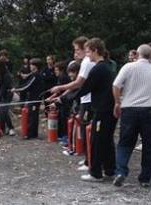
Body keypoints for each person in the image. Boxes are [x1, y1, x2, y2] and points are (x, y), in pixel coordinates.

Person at [57, 38, 117, 182]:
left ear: (96, 51)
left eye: (89, 51)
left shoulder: (99, 69)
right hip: (107, 110)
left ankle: (96, 173)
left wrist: (64, 98)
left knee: (97, 140)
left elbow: (85, 88)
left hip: (103, 110)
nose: (87, 55)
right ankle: (109, 170)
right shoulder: (105, 67)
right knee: (106, 140)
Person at [112, 44, 151, 188]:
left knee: (125, 142)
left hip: (130, 108)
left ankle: (121, 171)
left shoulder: (128, 67)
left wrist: (117, 102)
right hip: (149, 109)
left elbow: (116, 85)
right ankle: (145, 177)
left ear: (137, 54)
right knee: (148, 144)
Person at [48, 36, 96, 171]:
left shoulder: (87, 62)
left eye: (77, 49)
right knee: (84, 130)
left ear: (84, 49)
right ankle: (88, 159)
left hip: (89, 101)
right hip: (85, 100)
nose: (75, 53)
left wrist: (60, 89)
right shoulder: (84, 62)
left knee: (87, 131)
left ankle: (90, 162)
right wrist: (62, 96)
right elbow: (76, 86)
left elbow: (78, 83)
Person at [11, 58, 44, 139]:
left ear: (35, 66)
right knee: (32, 115)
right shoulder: (33, 74)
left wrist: (16, 89)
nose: (30, 66)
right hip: (32, 98)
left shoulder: (36, 75)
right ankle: (32, 133)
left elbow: (27, 86)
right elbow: (26, 83)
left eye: (31, 64)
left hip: (35, 99)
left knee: (32, 116)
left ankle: (30, 134)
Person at [0, 58, 16, 136]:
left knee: (4, 111)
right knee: (1, 112)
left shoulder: (6, 75)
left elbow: (3, 88)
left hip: (7, 95)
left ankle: (11, 128)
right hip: (1, 95)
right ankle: (2, 128)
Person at [52, 61, 71, 146]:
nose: (55, 71)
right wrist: (51, 97)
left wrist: (58, 99)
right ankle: (62, 135)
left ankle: (66, 136)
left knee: (64, 118)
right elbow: (58, 90)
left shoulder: (64, 78)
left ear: (61, 70)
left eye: (56, 70)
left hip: (65, 101)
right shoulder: (60, 78)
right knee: (61, 118)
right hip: (60, 100)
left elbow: (65, 91)